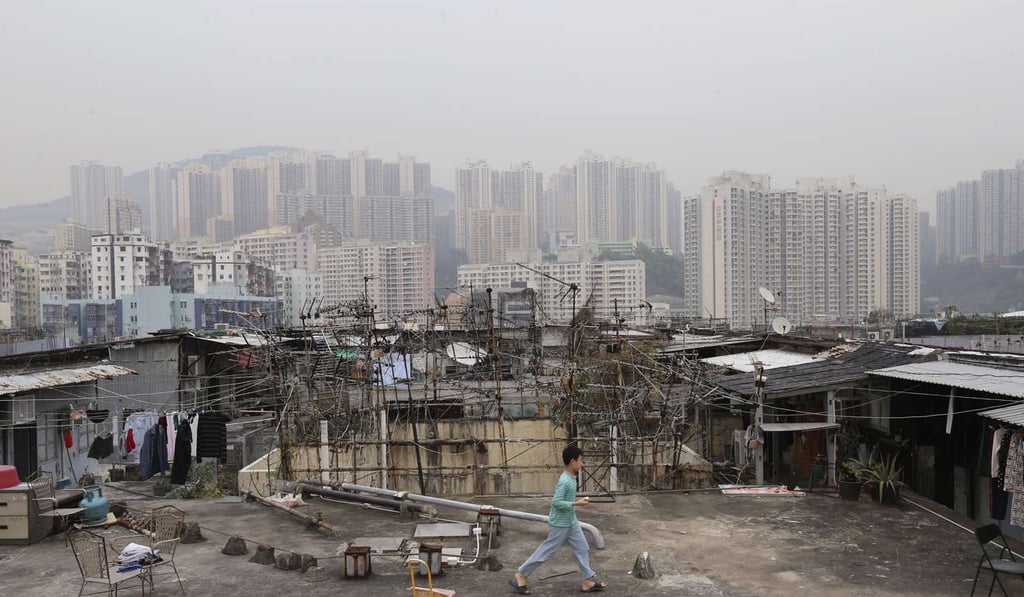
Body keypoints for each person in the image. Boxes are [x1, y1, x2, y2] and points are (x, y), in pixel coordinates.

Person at [509, 444, 607, 594]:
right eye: (580, 460)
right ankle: (521, 574)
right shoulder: (565, 480)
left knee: (582, 547)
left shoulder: (572, 477)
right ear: (573, 461)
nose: (582, 463)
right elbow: (556, 502)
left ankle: (587, 581)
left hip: (571, 521)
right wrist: (577, 503)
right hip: (560, 523)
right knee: (546, 552)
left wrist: (576, 503)